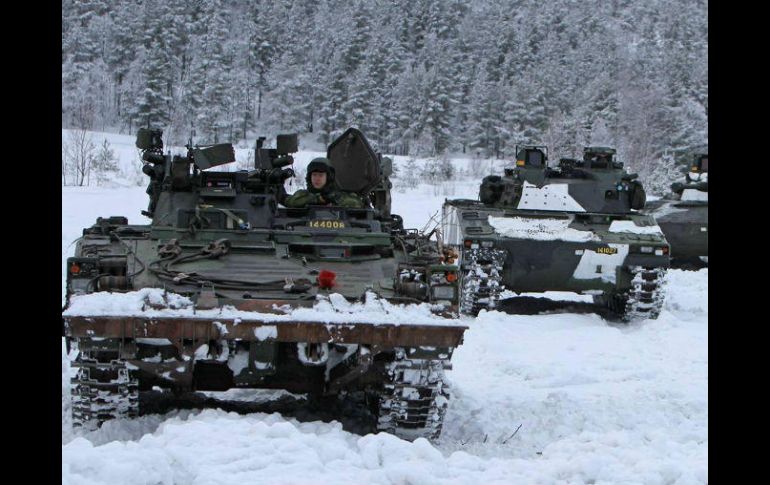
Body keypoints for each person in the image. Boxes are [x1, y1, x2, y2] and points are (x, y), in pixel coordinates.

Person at [283, 157, 364, 208]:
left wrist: (334, 198)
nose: (317, 179)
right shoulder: (302, 195)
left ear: (329, 177)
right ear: (309, 177)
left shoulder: (339, 196)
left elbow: (357, 204)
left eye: (321, 175)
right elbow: (290, 202)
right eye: (314, 175)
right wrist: (317, 199)